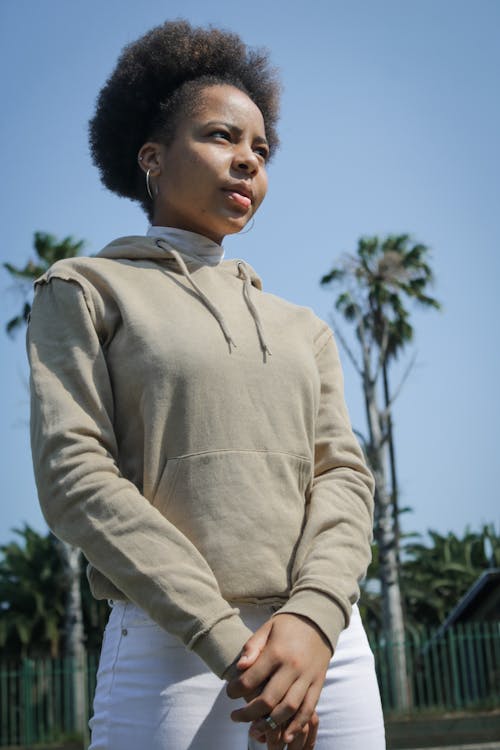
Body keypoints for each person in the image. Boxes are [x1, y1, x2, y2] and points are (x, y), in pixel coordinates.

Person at [27, 19, 386, 750]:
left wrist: (316, 617)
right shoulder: (82, 289)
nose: (247, 161)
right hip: (176, 649)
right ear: (152, 158)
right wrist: (229, 641)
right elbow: (75, 477)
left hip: (327, 651)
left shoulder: (302, 327)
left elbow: (344, 478)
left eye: (260, 149)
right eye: (222, 137)